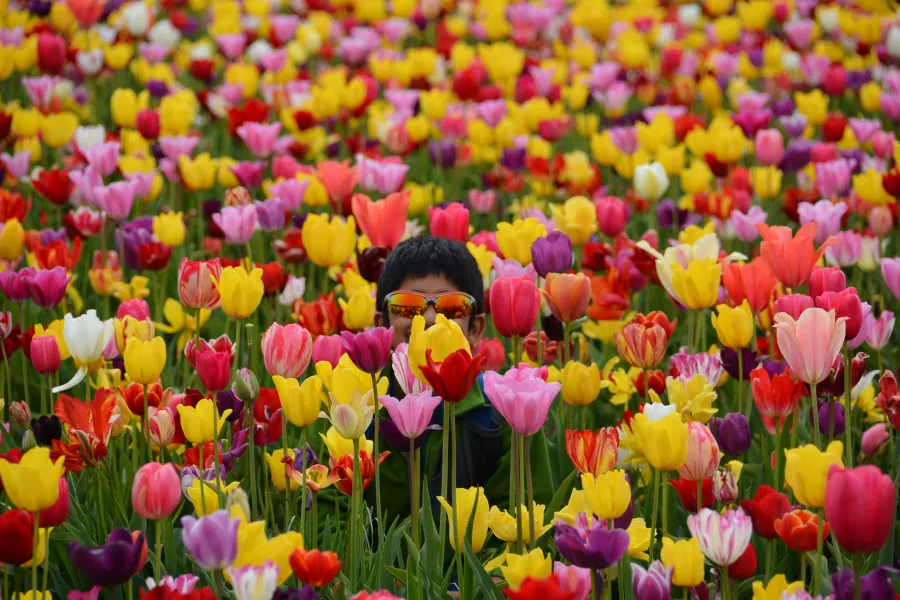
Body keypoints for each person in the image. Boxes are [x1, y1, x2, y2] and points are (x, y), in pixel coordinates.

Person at [371, 235, 554, 526]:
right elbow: (335, 518)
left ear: (476, 328)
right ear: (381, 324)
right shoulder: (360, 409)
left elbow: (526, 524)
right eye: (408, 305)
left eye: (451, 307)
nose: (430, 317)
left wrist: (477, 573)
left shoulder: (504, 412)